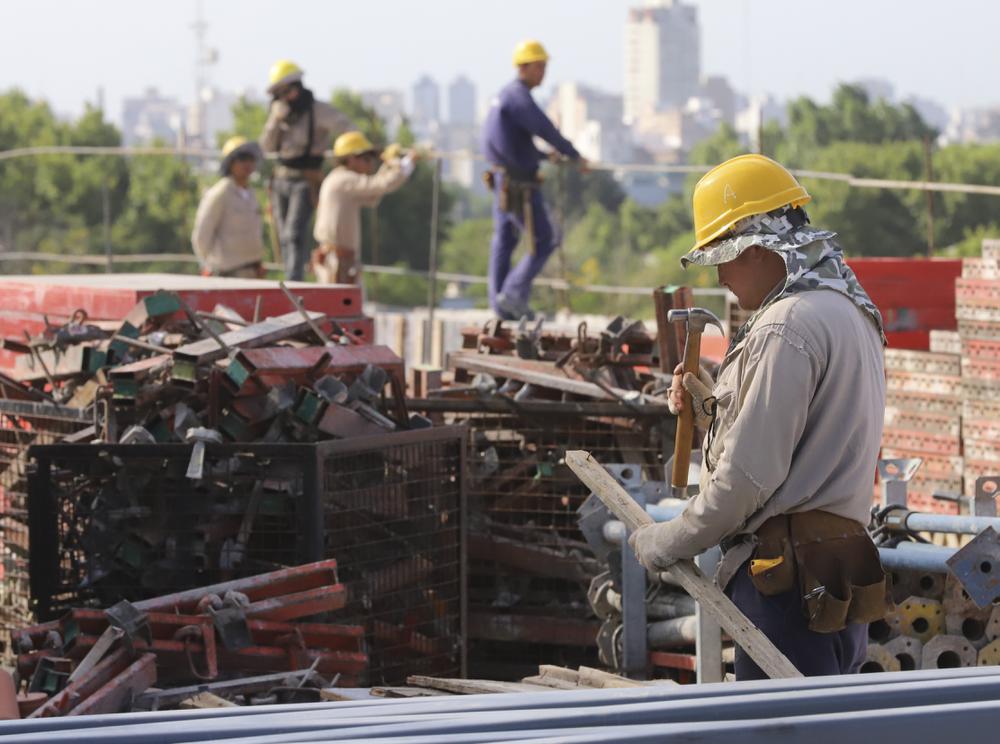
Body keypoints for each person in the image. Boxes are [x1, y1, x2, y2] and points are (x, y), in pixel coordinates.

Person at [629, 154, 890, 680]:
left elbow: (746, 480)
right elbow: (807, 442)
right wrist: (713, 410)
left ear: (755, 247)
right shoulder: (848, 311)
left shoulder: (784, 327)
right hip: (837, 572)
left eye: (722, 258)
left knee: (777, 730)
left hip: (786, 584)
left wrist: (665, 540)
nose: (721, 275)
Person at [481, 39, 586, 320]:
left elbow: (512, 142)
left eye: (544, 67)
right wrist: (574, 155)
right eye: (539, 66)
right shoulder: (518, 97)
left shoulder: (506, 95)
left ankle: (500, 304)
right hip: (517, 184)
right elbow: (544, 128)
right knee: (545, 239)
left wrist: (541, 156)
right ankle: (512, 295)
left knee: (504, 240)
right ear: (523, 67)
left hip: (504, 178)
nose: (543, 72)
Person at [259, 59, 353, 280]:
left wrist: (347, 153)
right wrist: (275, 120)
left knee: (294, 233)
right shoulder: (280, 115)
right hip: (280, 180)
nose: (286, 97)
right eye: (280, 94)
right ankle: (290, 276)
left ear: (298, 87)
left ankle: (294, 282)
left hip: (305, 180)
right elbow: (266, 146)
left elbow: (348, 129)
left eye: (288, 91)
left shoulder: (319, 111)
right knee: (283, 235)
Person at [312, 132, 416, 285]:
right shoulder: (345, 180)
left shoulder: (338, 179)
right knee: (343, 307)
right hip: (338, 262)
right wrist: (405, 164)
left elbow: (373, 194)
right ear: (352, 159)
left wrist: (388, 166)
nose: (370, 164)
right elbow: (381, 185)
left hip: (336, 259)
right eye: (366, 159)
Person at [190, 136, 266, 278]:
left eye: (251, 158)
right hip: (226, 274)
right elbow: (201, 235)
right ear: (230, 162)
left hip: (251, 273)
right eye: (242, 158)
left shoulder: (251, 194)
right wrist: (207, 264)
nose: (248, 163)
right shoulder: (219, 193)